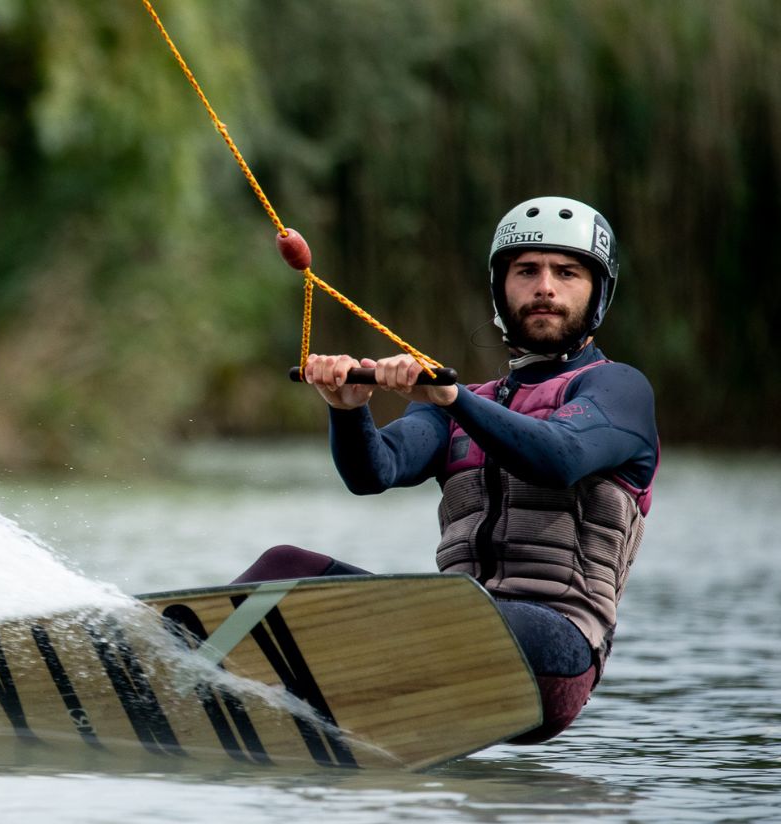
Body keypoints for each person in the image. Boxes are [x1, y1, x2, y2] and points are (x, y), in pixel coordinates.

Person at [234, 196, 660, 742]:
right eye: (526, 271)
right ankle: (177, 671)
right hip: (449, 629)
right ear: (501, 289)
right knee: (283, 567)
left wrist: (452, 398)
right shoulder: (459, 402)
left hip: (553, 652)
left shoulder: (618, 389)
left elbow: (560, 458)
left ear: (597, 292)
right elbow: (376, 472)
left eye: (567, 272)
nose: (546, 287)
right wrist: (348, 410)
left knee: (463, 614)